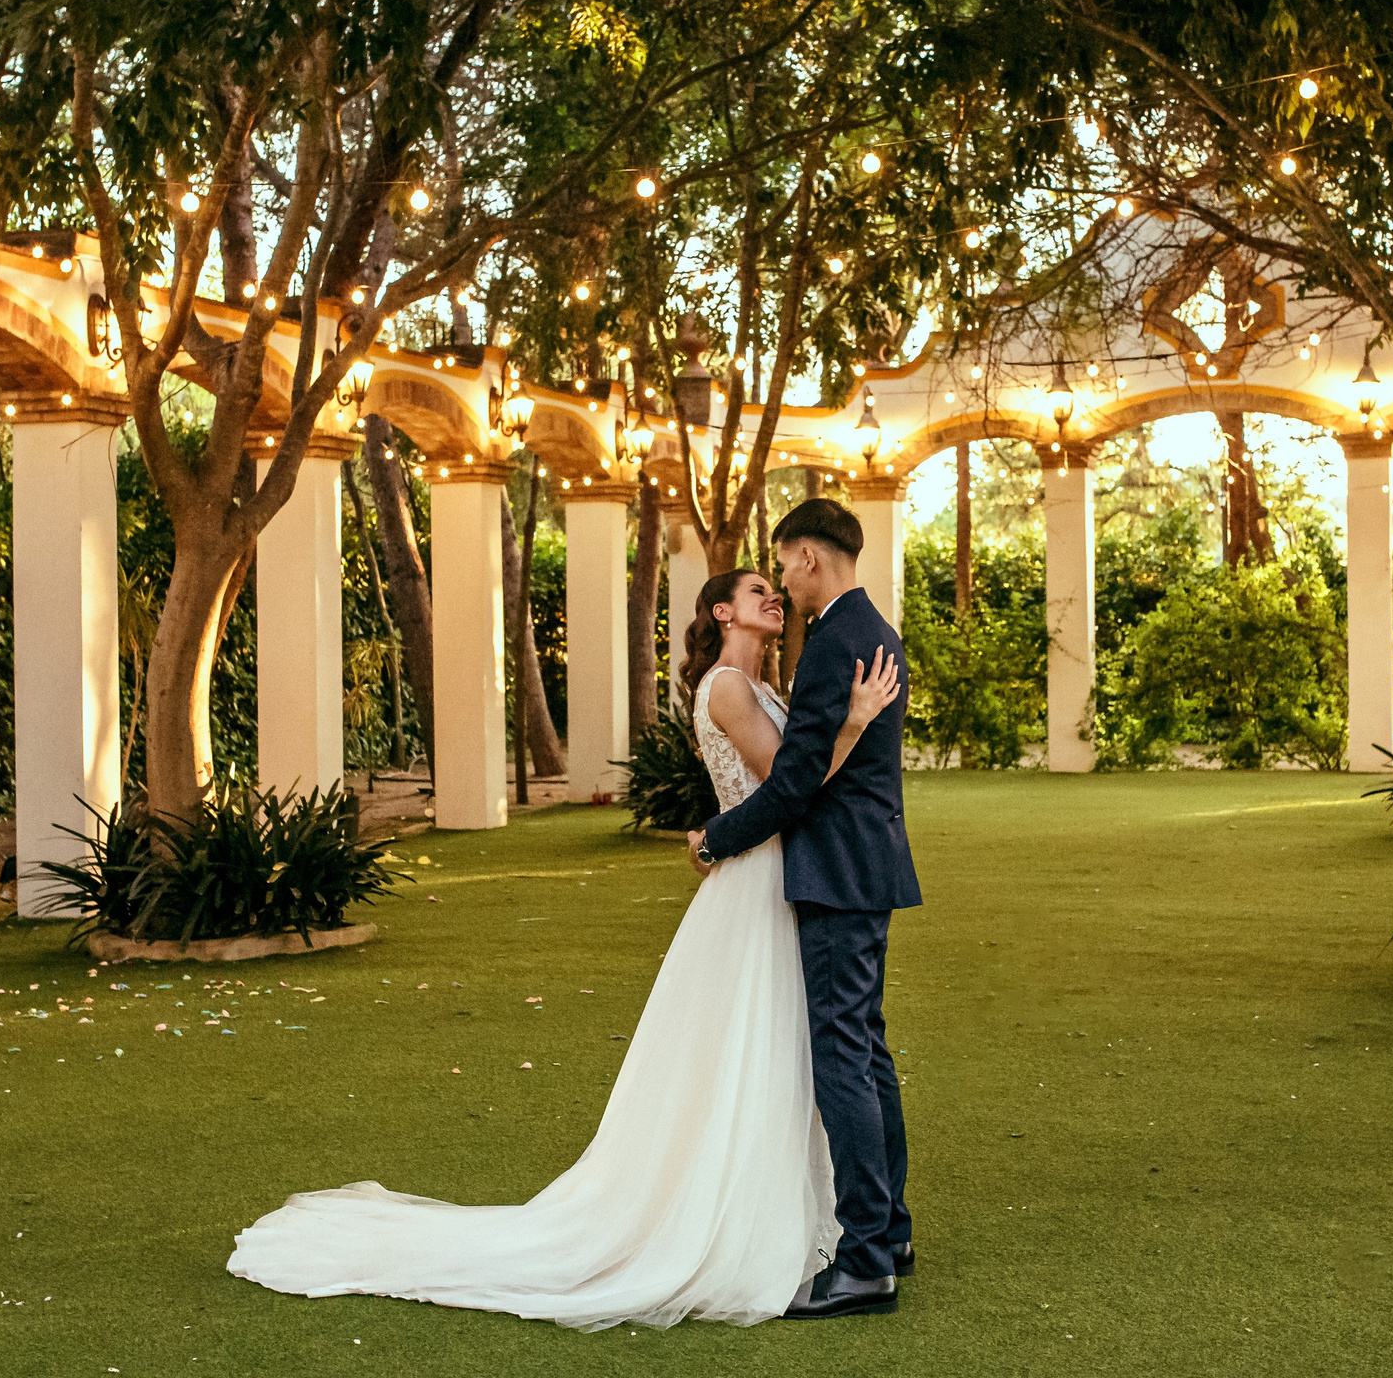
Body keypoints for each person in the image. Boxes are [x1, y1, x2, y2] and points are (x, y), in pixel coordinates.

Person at [226, 561, 901, 1331]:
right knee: (758, 1045)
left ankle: (807, 1214)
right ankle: (738, 1217)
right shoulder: (727, 688)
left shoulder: (761, 687)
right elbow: (792, 781)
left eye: (772, 587)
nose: (772, 596)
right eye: (755, 592)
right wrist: (849, 726)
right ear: (721, 612)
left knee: (778, 1049)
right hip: (756, 881)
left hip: (778, 874)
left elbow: (792, 780)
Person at [691, 497, 922, 1319]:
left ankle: (865, 1259)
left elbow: (793, 782)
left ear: (811, 558)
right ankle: (888, 1232)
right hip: (869, 865)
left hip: (835, 871)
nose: (784, 579)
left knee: (843, 1058)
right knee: (866, 1050)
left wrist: (718, 837)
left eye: (785, 563)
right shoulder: (872, 631)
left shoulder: (834, 643)